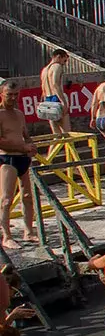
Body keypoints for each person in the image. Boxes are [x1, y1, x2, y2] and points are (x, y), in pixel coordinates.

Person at [0, 79, 37, 250]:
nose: (13, 98)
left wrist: (30, 146)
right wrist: (23, 146)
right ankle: (6, 236)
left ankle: (28, 231)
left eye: (16, 95)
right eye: (9, 95)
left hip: (23, 158)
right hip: (7, 159)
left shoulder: (19, 114)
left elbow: (25, 135)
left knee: (28, 197)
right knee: (6, 200)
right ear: (2, 95)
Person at [39, 48, 70, 135]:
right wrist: (63, 101)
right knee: (67, 133)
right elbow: (55, 84)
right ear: (59, 57)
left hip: (47, 99)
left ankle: (53, 149)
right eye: (64, 60)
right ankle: (70, 149)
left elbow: (43, 87)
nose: (64, 63)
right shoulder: (57, 66)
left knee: (56, 135)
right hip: (56, 98)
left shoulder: (44, 70)